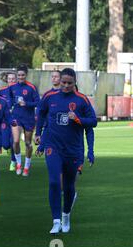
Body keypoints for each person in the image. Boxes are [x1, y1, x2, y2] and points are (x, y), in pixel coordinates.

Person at [35, 68, 97, 234]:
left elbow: (93, 123)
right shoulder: (50, 97)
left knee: (69, 187)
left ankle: (66, 215)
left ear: (75, 82)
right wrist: (38, 135)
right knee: (54, 182)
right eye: (64, 82)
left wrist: (78, 119)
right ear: (59, 81)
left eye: (70, 83)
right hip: (53, 147)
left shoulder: (82, 100)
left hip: (73, 150)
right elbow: (41, 114)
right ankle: (55, 221)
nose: (66, 86)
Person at [8, 64, 39, 177]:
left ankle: (26, 166)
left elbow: (37, 102)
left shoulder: (31, 87)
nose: (20, 77)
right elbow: (10, 101)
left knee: (27, 143)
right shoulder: (12, 87)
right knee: (15, 141)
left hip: (29, 119)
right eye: (19, 75)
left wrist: (27, 104)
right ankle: (19, 164)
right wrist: (9, 108)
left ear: (26, 75)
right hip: (16, 117)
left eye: (23, 75)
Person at [0, 72, 17, 171]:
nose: (11, 81)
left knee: (13, 141)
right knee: (5, 144)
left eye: (13, 79)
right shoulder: (2, 91)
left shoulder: (20, 91)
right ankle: (9, 149)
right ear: (7, 80)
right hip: (5, 121)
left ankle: (13, 162)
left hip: (16, 121)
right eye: (10, 79)